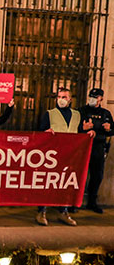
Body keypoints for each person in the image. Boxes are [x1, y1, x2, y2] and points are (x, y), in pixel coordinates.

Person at [36, 87, 88, 227]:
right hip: (52, 155)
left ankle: (63, 212)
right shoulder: (49, 114)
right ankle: (42, 211)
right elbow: (40, 131)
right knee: (48, 183)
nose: (61, 100)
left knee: (66, 185)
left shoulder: (77, 115)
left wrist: (89, 132)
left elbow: (81, 133)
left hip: (71, 155)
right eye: (59, 97)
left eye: (64, 97)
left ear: (70, 99)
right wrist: (46, 131)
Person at [79, 86, 114, 213]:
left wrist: (109, 129)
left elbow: (112, 131)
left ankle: (92, 202)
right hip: (83, 147)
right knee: (79, 175)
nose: (93, 99)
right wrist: (84, 128)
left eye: (95, 97)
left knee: (97, 176)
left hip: (98, 147)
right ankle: (74, 202)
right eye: (91, 97)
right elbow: (75, 128)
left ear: (101, 99)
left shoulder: (106, 113)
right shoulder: (82, 111)